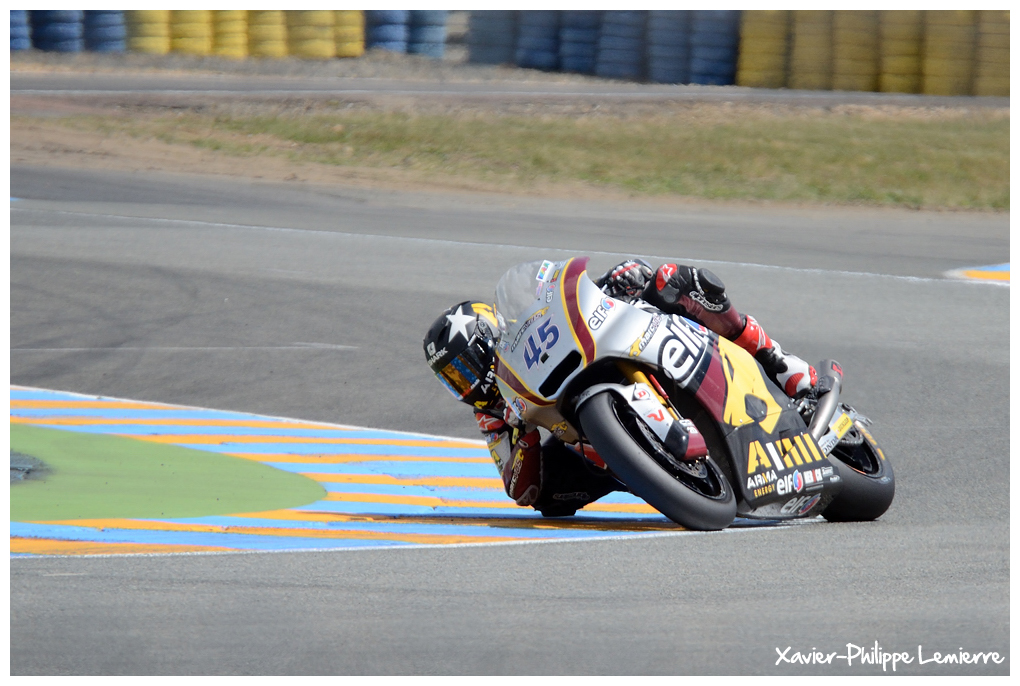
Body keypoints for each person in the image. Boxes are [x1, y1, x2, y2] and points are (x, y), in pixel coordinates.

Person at [422, 259, 818, 517]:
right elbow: (519, 490)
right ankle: (649, 470)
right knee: (546, 499)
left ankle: (781, 364)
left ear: (489, 340)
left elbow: (572, 304)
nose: (466, 384)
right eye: (452, 380)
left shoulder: (526, 335)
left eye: (464, 368)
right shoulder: (491, 415)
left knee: (674, 280)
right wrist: (522, 433)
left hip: (630, 343)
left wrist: (617, 279)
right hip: (586, 442)